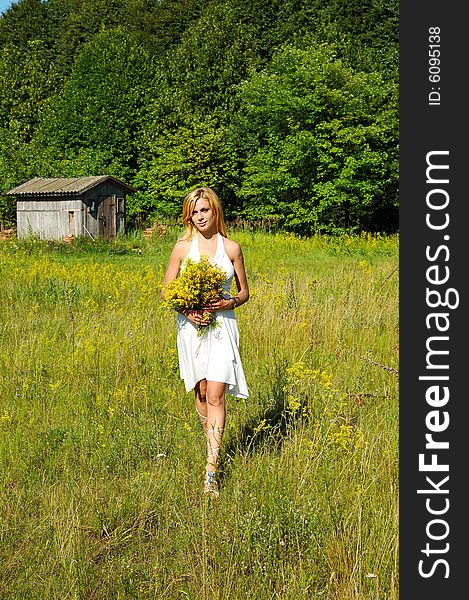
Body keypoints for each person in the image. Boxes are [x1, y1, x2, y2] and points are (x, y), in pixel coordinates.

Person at [161, 187, 249, 497]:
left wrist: (229, 303)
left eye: (205, 211)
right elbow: (167, 290)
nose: (200, 217)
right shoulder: (182, 248)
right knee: (200, 391)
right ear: (189, 216)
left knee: (215, 393)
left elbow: (244, 292)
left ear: (215, 212)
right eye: (194, 212)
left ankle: (211, 469)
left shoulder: (232, 248)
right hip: (190, 326)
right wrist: (188, 310)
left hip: (222, 326)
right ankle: (210, 442)